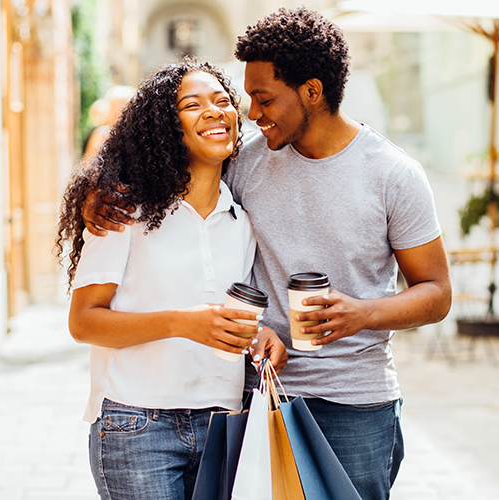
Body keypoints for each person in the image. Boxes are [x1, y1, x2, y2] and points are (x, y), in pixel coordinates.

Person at [79, 8, 452, 500]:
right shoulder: (248, 161)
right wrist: (97, 190)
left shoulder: (395, 176)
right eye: (249, 98)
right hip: (254, 400)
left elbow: (438, 293)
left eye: (264, 98)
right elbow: (166, 166)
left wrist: (362, 314)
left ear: (312, 91)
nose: (251, 113)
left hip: (356, 405)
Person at [55, 58, 286, 500]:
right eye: (193, 105)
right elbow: (83, 322)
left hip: (223, 419)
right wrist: (184, 323)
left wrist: (260, 338)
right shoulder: (124, 212)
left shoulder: (241, 221)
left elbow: (231, 318)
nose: (215, 111)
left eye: (223, 101)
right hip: (138, 425)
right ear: (166, 126)